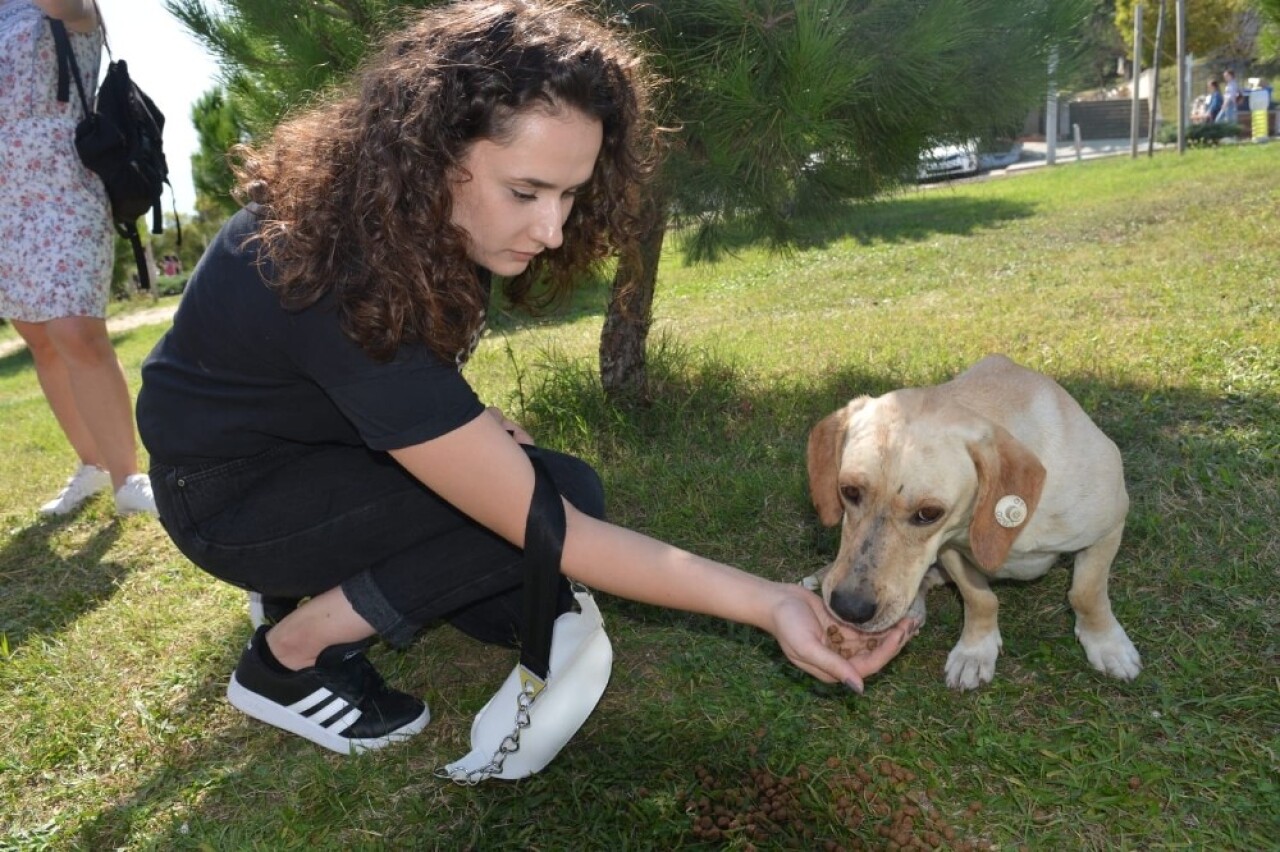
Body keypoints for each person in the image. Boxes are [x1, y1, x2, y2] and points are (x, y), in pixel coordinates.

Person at [137, 0, 917, 756]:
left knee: (531, 556)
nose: (551, 231)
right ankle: (288, 655)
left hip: (314, 449)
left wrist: (461, 422)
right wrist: (771, 601)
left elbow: (379, 376)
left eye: (571, 193)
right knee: (556, 508)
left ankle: (321, 580)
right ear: (432, 155)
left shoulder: (407, 220)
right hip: (227, 501)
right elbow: (554, 527)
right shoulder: (339, 269)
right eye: (526, 192)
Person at [0, 0, 156, 517]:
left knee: (74, 331)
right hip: (5, 198)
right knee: (40, 339)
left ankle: (128, 478)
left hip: (64, 184)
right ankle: (91, 466)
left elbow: (73, 9)